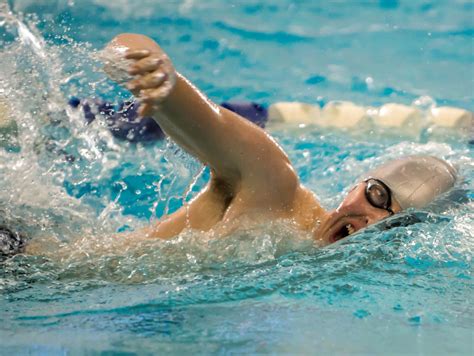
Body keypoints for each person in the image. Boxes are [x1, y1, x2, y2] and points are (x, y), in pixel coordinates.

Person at [99, 33, 457, 246]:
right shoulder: (271, 183)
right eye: (377, 194)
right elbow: (132, 50)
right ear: (356, 184)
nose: (372, 220)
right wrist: (150, 69)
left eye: (396, 220)